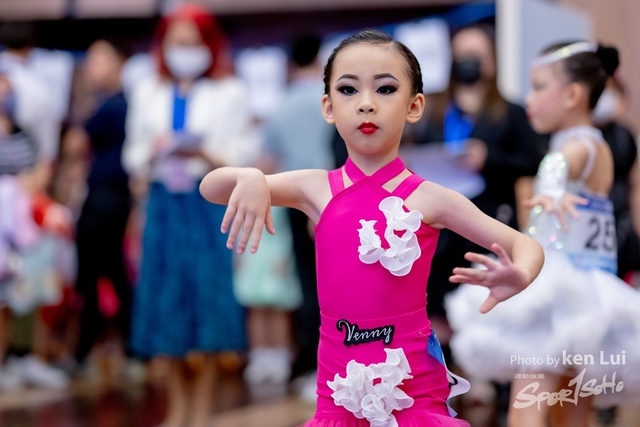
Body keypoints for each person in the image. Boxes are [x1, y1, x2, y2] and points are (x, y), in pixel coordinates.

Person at [200, 29, 544, 427]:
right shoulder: (315, 188)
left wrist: (521, 273)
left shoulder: (431, 198)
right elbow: (212, 187)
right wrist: (249, 176)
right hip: (338, 394)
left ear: (414, 106)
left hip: (413, 390)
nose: (366, 103)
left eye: (385, 89)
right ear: (328, 107)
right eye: (348, 90)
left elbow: (526, 245)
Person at [446, 42, 640, 427]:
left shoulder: (572, 150)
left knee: (527, 412)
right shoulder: (596, 144)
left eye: (538, 87)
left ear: (572, 95)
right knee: (571, 413)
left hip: (554, 294)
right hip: (590, 294)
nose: (529, 99)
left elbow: (559, 168)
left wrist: (549, 187)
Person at [122, 5, 254, 427]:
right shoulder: (148, 90)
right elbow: (132, 154)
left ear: (209, 46)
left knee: (209, 300)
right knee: (166, 302)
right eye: (177, 42)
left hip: (208, 202)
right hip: (164, 202)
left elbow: (243, 153)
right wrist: (154, 151)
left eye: (193, 42)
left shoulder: (229, 91)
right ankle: (177, 406)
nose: (185, 50)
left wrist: (204, 151)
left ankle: (202, 409)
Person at [414, 24, 548, 356]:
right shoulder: (434, 110)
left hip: (489, 222)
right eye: (461, 56)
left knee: (490, 317)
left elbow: (533, 160)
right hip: (440, 231)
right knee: (438, 316)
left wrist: (489, 159)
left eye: (475, 55)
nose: (467, 62)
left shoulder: (511, 113)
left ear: (491, 60)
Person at [261, 33, 334, 401]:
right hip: (334, 198)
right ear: (320, 59)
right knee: (335, 286)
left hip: (294, 202)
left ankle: (315, 369)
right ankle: (336, 366)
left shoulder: (281, 106)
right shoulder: (332, 102)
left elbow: (267, 161)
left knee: (309, 286)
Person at [71, 39, 133, 374]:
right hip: (108, 195)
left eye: (99, 60)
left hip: (106, 196)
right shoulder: (113, 103)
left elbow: (74, 144)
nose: (91, 68)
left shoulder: (113, 105)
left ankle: (85, 350)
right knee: (111, 269)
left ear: (118, 63)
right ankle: (129, 347)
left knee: (93, 271)